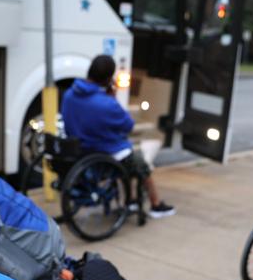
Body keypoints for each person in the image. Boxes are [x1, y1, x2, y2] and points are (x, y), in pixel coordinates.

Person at [61, 54, 176, 218]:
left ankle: (130, 201)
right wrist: (112, 98)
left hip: (79, 150)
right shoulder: (106, 103)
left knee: (130, 157)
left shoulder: (69, 95)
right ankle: (156, 205)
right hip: (104, 152)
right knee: (141, 165)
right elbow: (128, 125)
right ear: (109, 78)